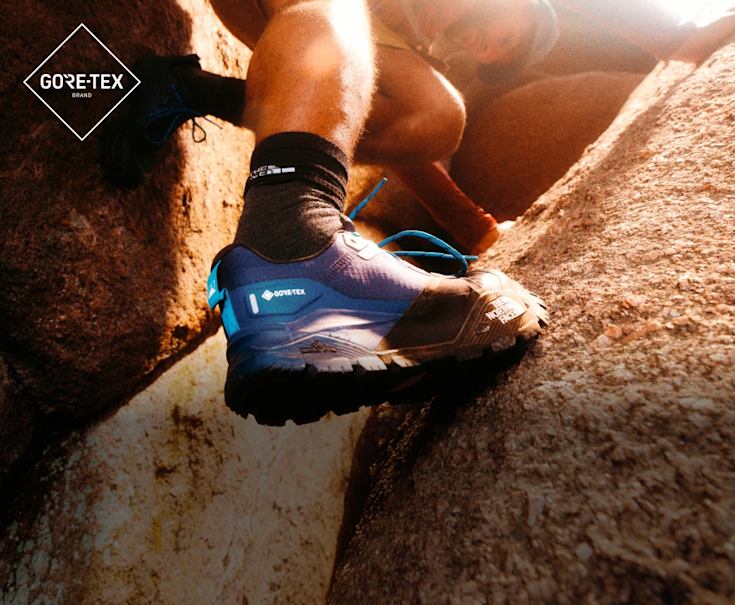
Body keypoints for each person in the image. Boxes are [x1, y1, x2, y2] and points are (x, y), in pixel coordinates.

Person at [102, 0, 553, 424]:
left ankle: (189, 96)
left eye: (497, 56)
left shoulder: (407, 36)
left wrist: (477, 230)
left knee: (434, 117)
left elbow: (376, 124)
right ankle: (295, 243)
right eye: (506, 37)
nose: (489, 50)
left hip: (301, 29)